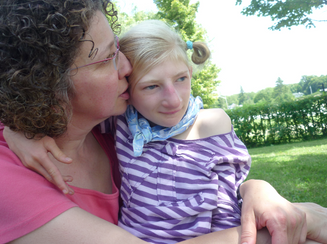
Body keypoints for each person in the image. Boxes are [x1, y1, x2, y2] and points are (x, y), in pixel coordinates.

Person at [0, 0, 326, 244]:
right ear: (45, 86)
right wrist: (301, 220)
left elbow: (207, 179)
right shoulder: (7, 176)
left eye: (119, 49)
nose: (128, 65)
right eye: (107, 58)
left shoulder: (114, 133)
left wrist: (257, 189)